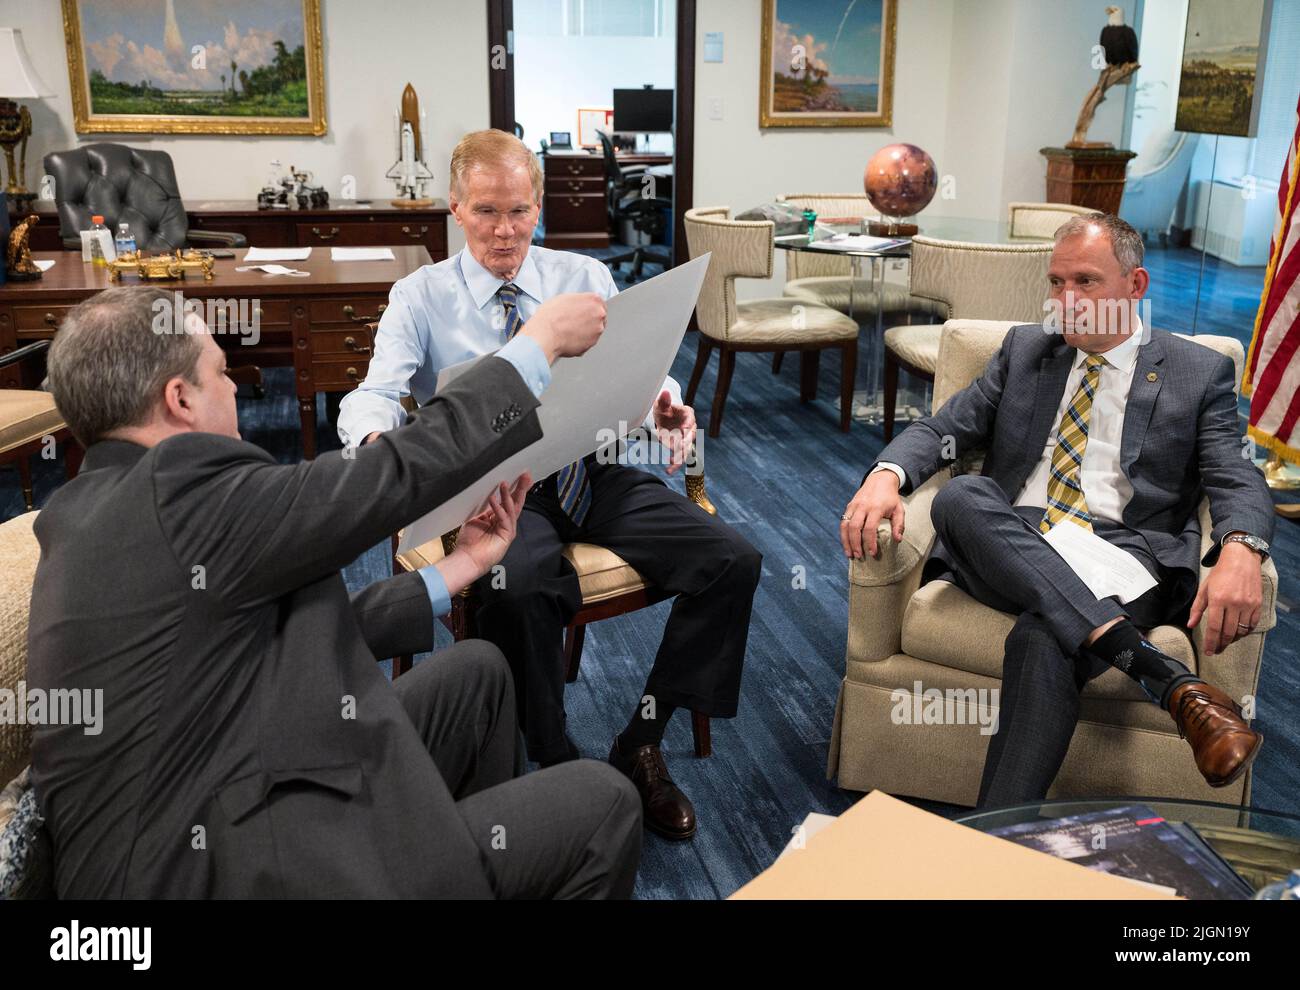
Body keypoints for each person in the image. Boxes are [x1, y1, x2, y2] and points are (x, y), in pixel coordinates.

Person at [28, 283, 643, 898]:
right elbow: (386, 476)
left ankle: (459, 870)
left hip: (225, 776)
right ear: (180, 399)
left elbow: (252, 625)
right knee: (605, 803)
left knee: (477, 674)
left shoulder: (88, 507)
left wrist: (453, 572)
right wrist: (536, 348)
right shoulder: (177, 489)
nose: (235, 387)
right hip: (205, 869)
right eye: (220, 371)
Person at [337, 129, 761, 840]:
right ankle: (556, 757)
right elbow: (373, 392)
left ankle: (640, 742)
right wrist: (379, 445)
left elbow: (638, 363)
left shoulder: (582, 278)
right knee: (520, 583)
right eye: (486, 212)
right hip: (492, 492)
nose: (505, 231)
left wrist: (663, 398)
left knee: (732, 561)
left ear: (539, 207)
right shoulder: (420, 297)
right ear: (454, 208)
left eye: (520, 212)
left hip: (588, 469)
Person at [840, 214, 1273, 807]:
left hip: (1125, 555)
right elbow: (946, 428)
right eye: (1056, 282)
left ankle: (995, 836)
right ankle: (1168, 680)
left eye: (1086, 282)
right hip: (1012, 541)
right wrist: (886, 476)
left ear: (1135, 285)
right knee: (962, 497)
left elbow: (1233, 471)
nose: (1065, 301)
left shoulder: (1197, 372)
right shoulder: (1026, 350)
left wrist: (1243, 546)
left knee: (1046, 638)